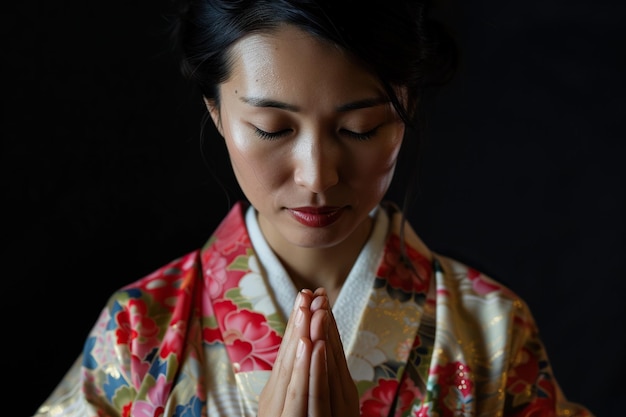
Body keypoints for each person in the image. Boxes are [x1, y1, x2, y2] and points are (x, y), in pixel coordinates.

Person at [33, 1, 595, 416]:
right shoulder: (140, 333)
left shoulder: (491, 333)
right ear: (216, 111)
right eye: (272, 128)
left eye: (360, 127)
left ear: (407, 109)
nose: (318, 175)